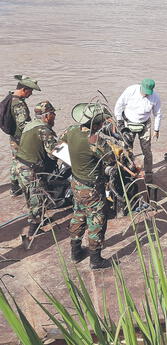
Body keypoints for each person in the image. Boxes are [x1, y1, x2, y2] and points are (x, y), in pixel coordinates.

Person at [59, 103, 114, 269]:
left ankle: (75, 252)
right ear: (96, 125)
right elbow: (110, 159)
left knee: (78, 215)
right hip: (92, 188)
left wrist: (74, 159)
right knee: (96, 220)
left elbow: (57, 146)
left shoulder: (71, 130)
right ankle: (96, 260)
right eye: (101, 123)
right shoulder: (95, 141)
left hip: (76, 182)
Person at [15, 101, 58, 242]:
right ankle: (34, 229)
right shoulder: (44, 130)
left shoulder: (30, 125)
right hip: (31, 170)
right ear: (46, 116)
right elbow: (53, 152)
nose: (55, 116)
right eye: (52, 113)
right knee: (38, 199)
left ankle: (35, 219)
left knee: (30, 197)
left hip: (20, 166)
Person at [114, 79, 162, 182]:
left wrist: (156, 130)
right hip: (128, 123)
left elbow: (157, 114)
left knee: (147, 151)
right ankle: (126, 172)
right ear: (141, 86)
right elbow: (119, 105)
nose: (146, 95)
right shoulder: (131, 90)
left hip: (144, 124)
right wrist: (119, 121)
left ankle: (149, 174)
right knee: (126, 150)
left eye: (148, 93)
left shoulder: (155, 97)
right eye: (144, 92)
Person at [5, 75, 40, 196]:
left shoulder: (11, 96)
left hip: (14, 136)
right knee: (23, 162)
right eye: (30, 91)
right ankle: (21, 187)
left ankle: (14, 187)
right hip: (20, 138)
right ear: (24, 89)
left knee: (16, 161)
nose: (31, 94)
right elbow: (23, 125)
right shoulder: (18, 104)